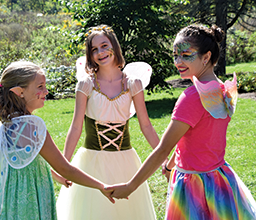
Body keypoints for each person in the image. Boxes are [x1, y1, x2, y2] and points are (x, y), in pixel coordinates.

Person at [107, 24, 256, 219]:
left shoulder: (192, 97)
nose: (178, 61)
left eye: (186, 55)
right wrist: (170, 165)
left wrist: (130, 186)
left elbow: (163, 148)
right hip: (219, 180)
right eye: (175, 55)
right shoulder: (222, 89)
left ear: (206, 57)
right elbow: (194, 138)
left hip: (193, 187)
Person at [56, 24, 160, 220]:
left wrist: (163, 159)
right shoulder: (86, 84)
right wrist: (64, 165)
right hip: (91, 163)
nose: (100, 52)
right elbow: (76, 127)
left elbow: (146, 126)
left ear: (115, 46)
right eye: (94, 49)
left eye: (104, 45)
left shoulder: (133, 84)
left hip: (126, 162)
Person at [0, 61, 114, 220]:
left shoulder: (8, 122)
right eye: (40, 86)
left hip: (12, 201)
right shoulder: (32, 127)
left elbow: (27, 160)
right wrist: (101, 186)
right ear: (19, 92)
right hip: (31, 200)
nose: (46, 91)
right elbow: (65, 168)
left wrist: (56, 176)